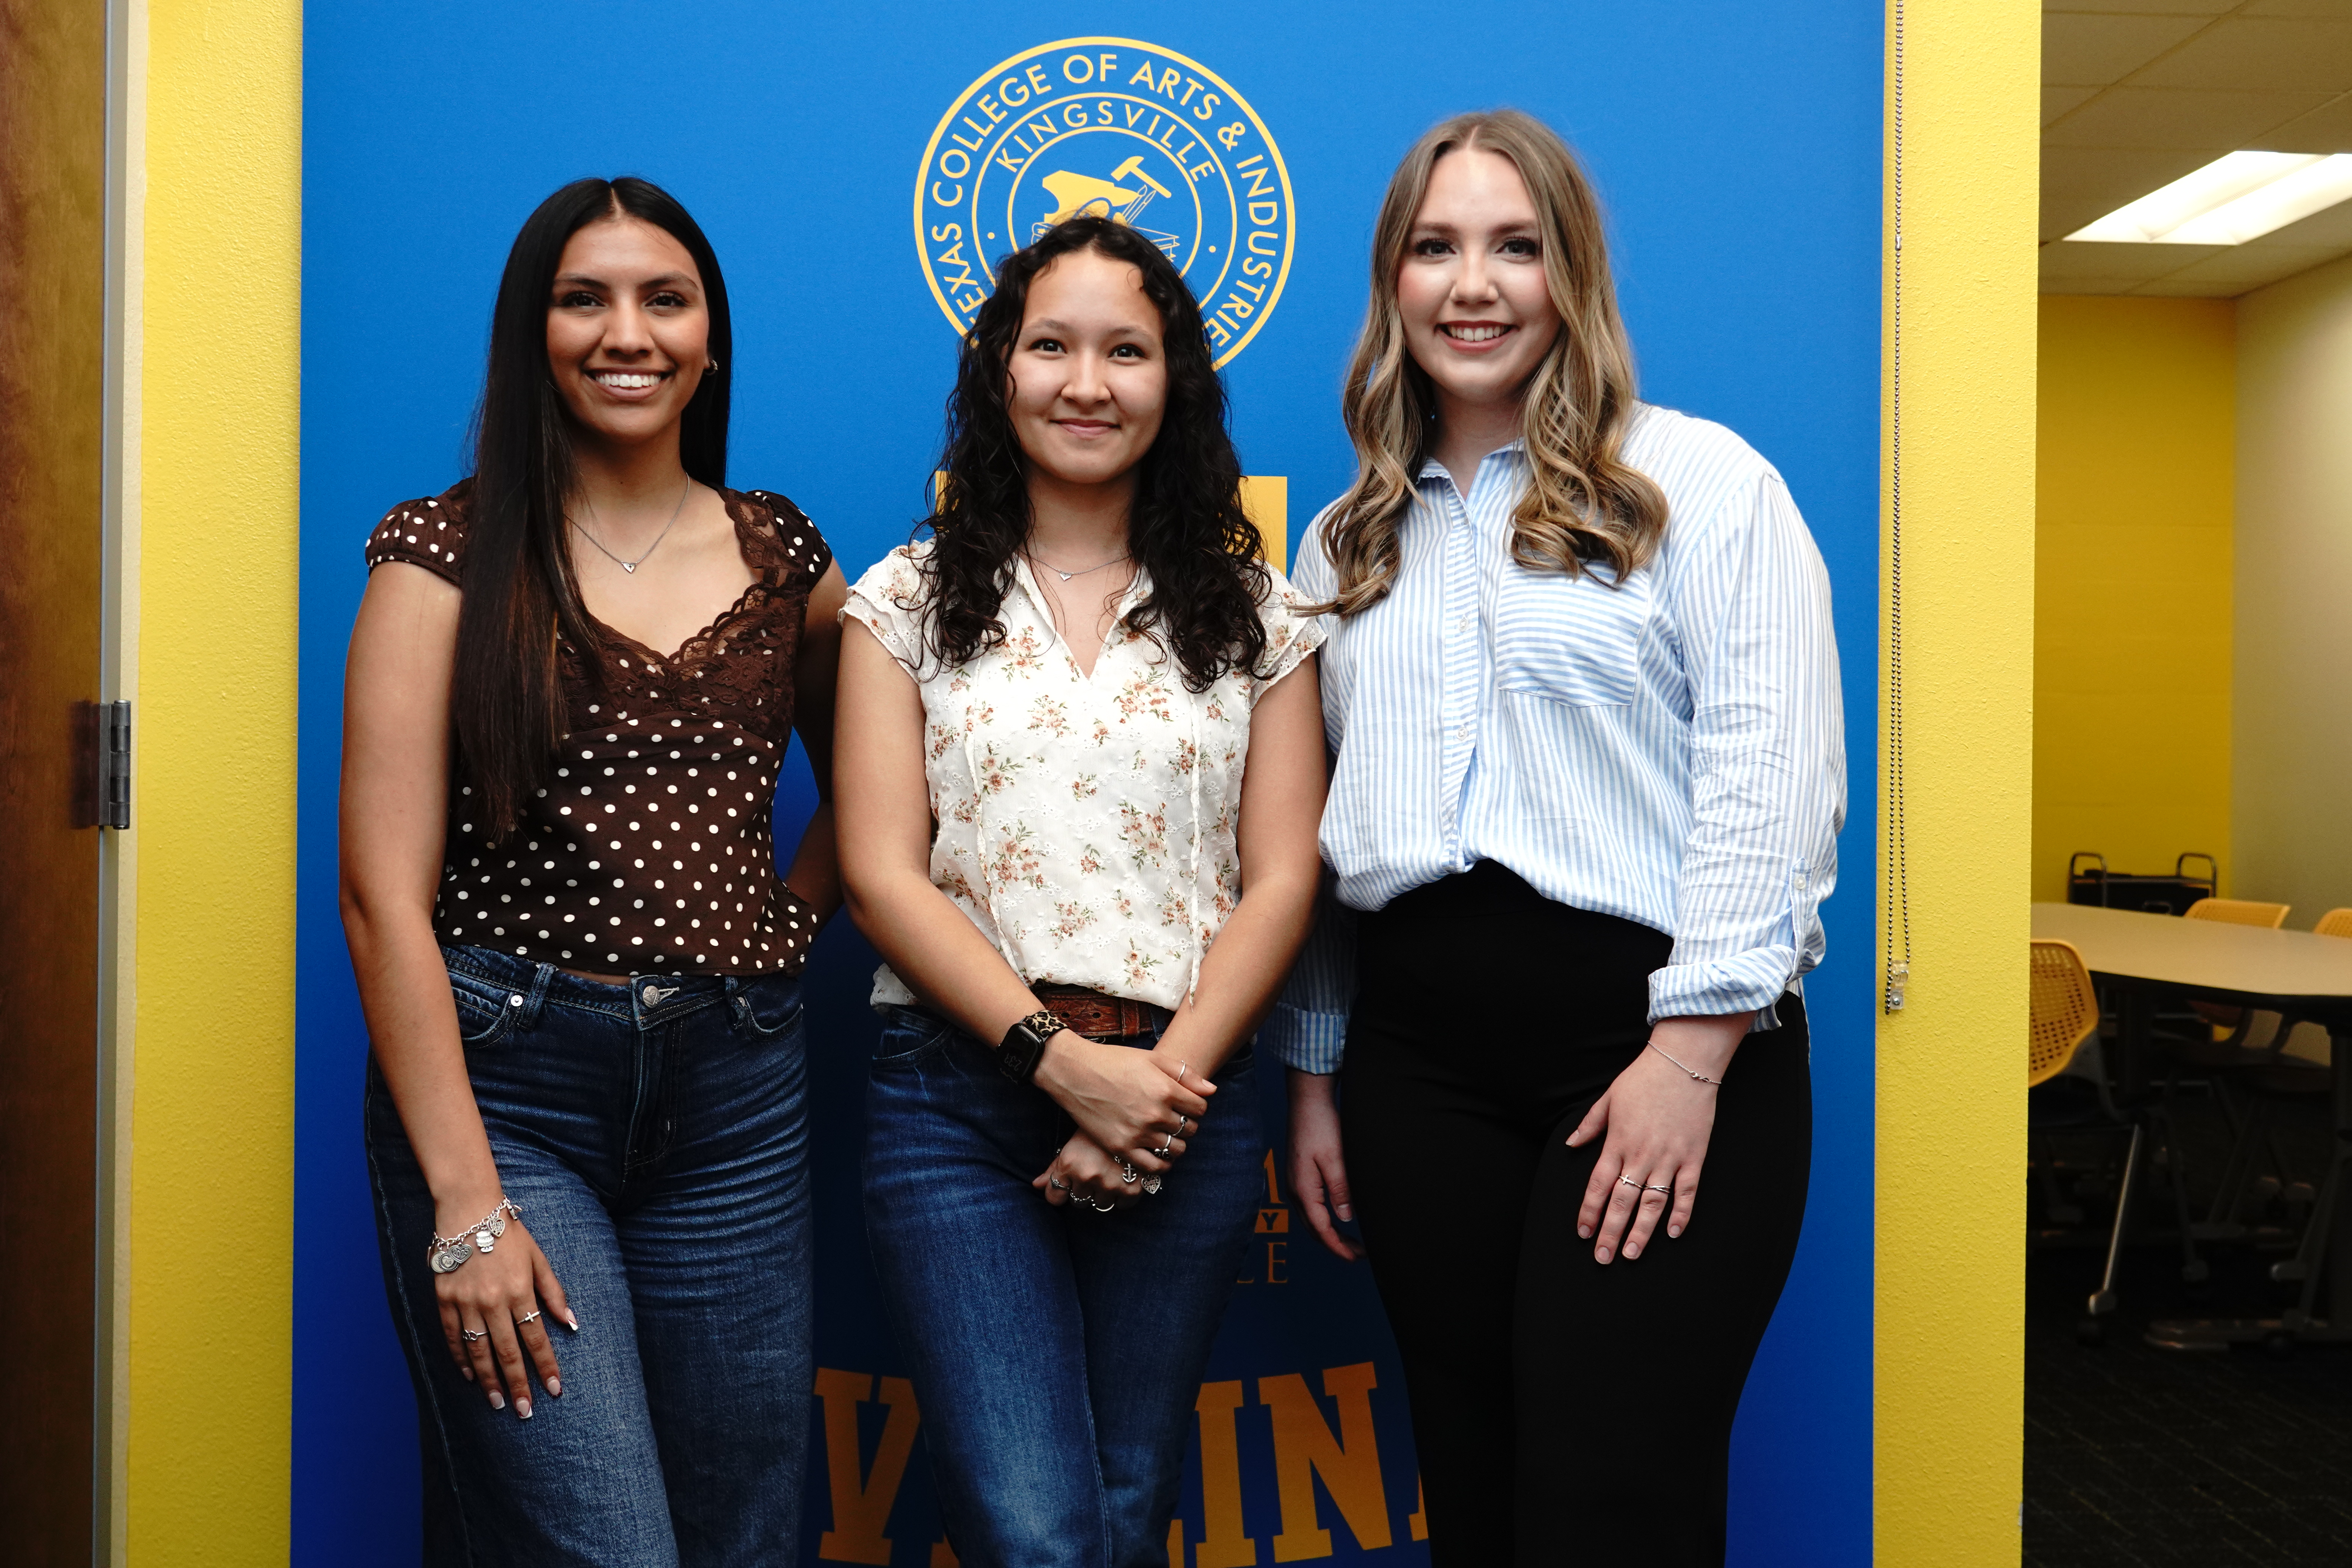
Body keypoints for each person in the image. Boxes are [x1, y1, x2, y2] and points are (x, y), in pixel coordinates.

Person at [1267, 111, 1844, 1566]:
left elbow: (1771, 781)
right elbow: (1329, 838)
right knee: (1477, 1485)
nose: (1475, 284)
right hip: (1421, 1071)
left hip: (1653, 1046)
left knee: (1613, 1502)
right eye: (1436, 247)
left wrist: (1691, 1052)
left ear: (1570, 273)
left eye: (1516, 247)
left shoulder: (1703, 487)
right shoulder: (1343, 545)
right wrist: (1322, 1076)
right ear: (1392, 282)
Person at [340, 175, 844, 1565]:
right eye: (586, 298)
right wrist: (464, 1204)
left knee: (738, 1536)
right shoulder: (437, 555)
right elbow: (383, 896)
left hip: (736, 1108)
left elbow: (879, 795)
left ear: (711, 340)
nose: (628, 332)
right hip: (511, 1096)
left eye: (664, 299)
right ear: (534, 334)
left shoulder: (783, 554)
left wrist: (782, 932)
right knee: (605, 1545)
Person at [834, 214, 1327, 1567]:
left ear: (1176, 384)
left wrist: (1152, 1095)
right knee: (1037, 1527)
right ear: (1001, 368)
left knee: (1121, 1505)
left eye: (1127, 350)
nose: (1087, 382)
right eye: (1051, 345)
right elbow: (879, 873)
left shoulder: (1257, 611)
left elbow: (1284, 877)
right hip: (956, 1097)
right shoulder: (907, 599)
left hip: (1190, 1097)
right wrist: (1059, 1065)